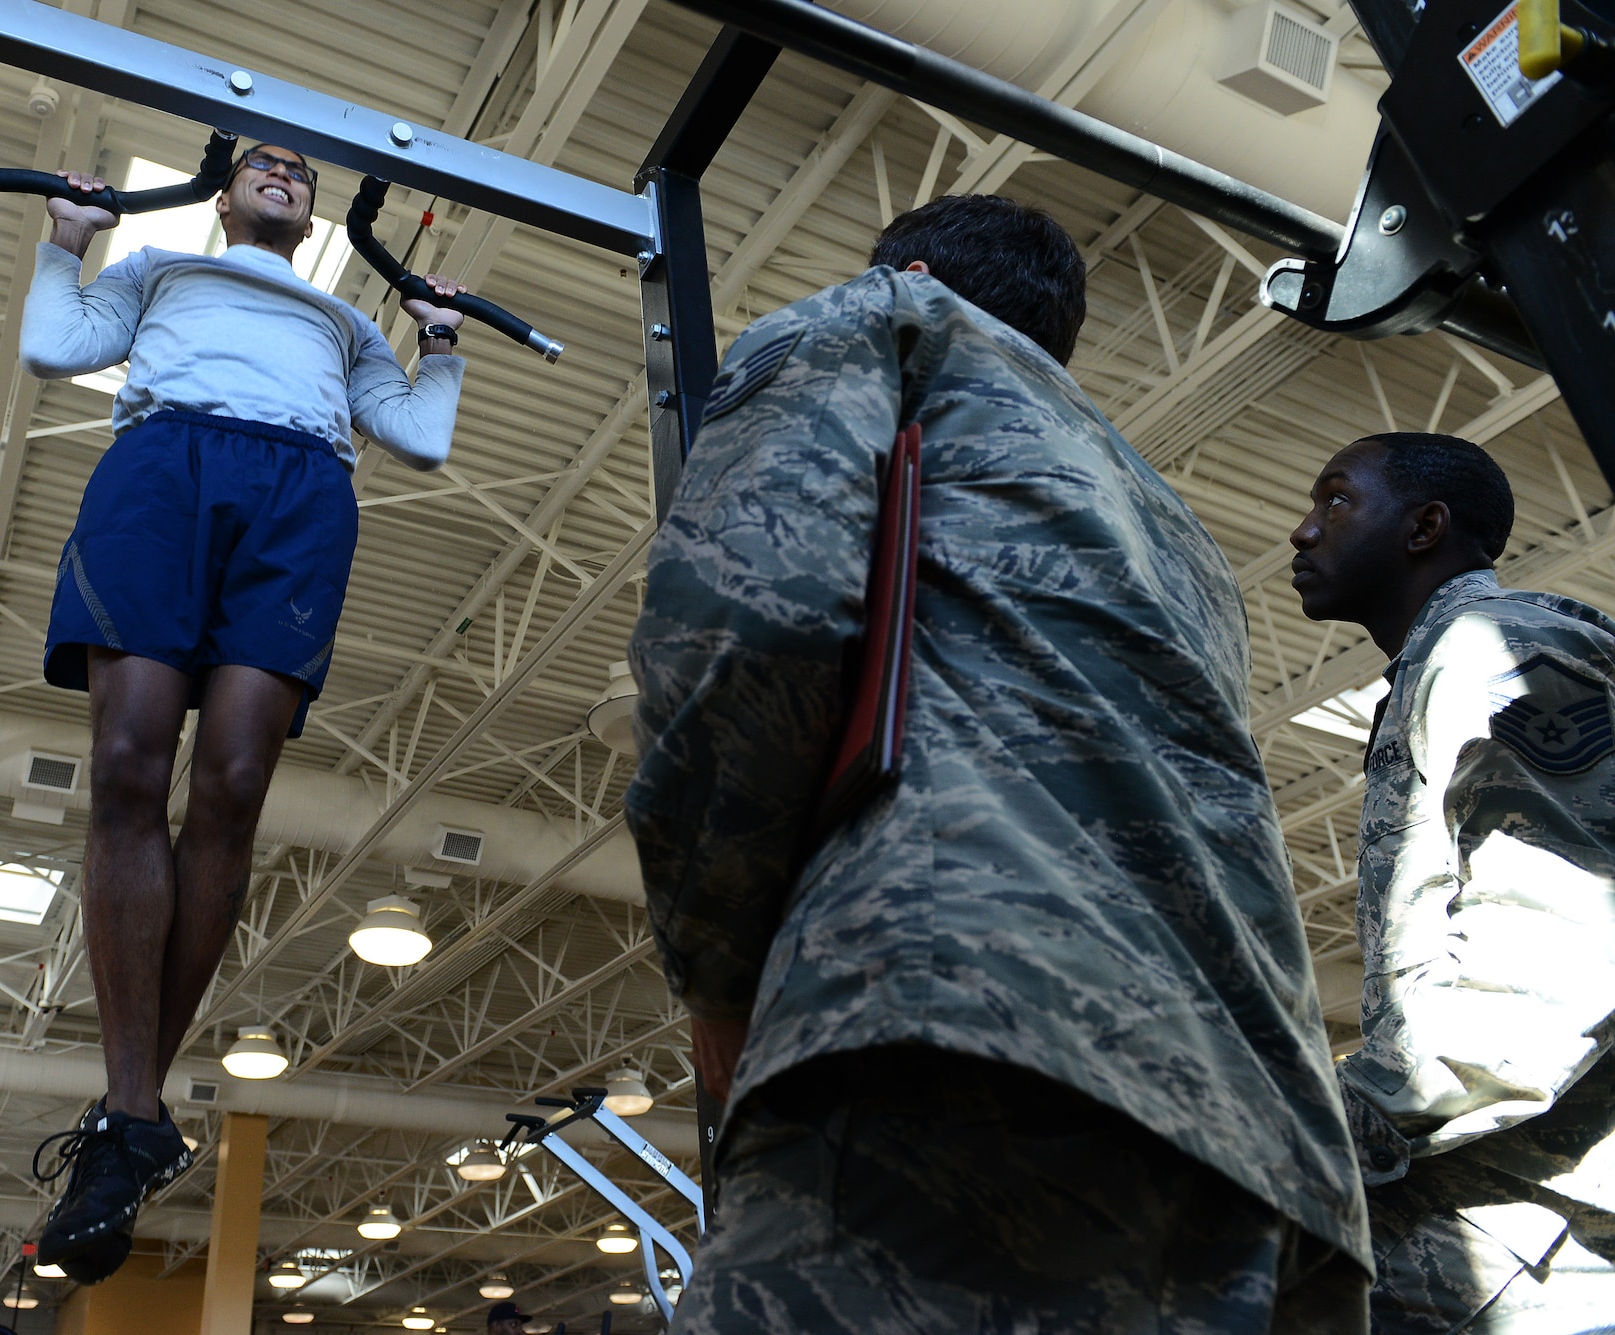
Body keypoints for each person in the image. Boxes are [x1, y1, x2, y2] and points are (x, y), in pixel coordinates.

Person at [624, 193, 1371, 1332]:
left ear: (914, 270)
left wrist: (715, 969)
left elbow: (747, 621)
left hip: (955, 1025)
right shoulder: (1175, 533)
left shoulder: (889, 322)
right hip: (1257, 1130)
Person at [17, 142, 470, 1281]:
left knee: (230, 787)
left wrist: (441, 340)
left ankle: (128, 1122)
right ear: (222, 194)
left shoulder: (344, 324)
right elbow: (52, 344)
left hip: (301, 491)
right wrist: (67, 243)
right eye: (262, 164)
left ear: (312, 216)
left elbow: (415, 437)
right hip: (161, 464)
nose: (284, 174)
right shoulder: (162, 267)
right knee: (126, 766)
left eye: (300, 174)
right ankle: (135, 1115)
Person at [1289, 432, 1615, 1332]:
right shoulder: (1437, 673)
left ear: (1425, 526)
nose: (1303, 532)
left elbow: (1556, 966)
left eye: (1337, 501)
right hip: (1495, 1221)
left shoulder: (1499, 650)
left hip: (1534, 1236)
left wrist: (1321, 1125)